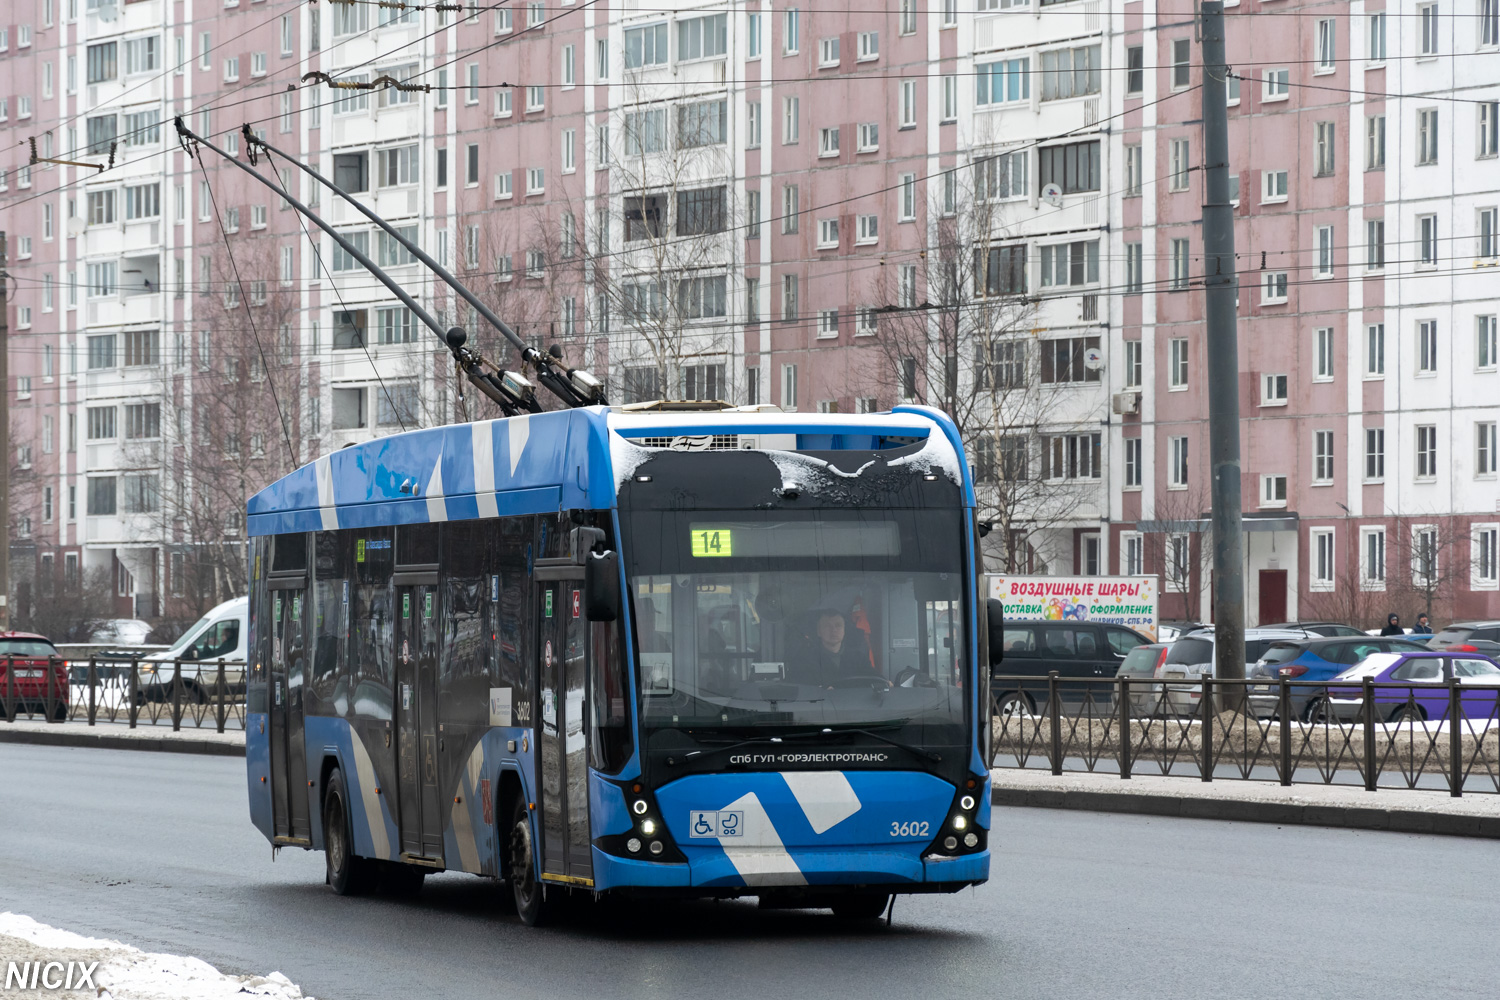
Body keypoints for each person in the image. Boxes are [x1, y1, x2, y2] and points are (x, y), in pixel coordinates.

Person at [790, 610, 876, 686]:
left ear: (844, 630)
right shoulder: (804, 660)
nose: (833, 630)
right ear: (819, 631)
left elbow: (874, 680)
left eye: (838, 625)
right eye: (827, 626)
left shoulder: (859, 658)